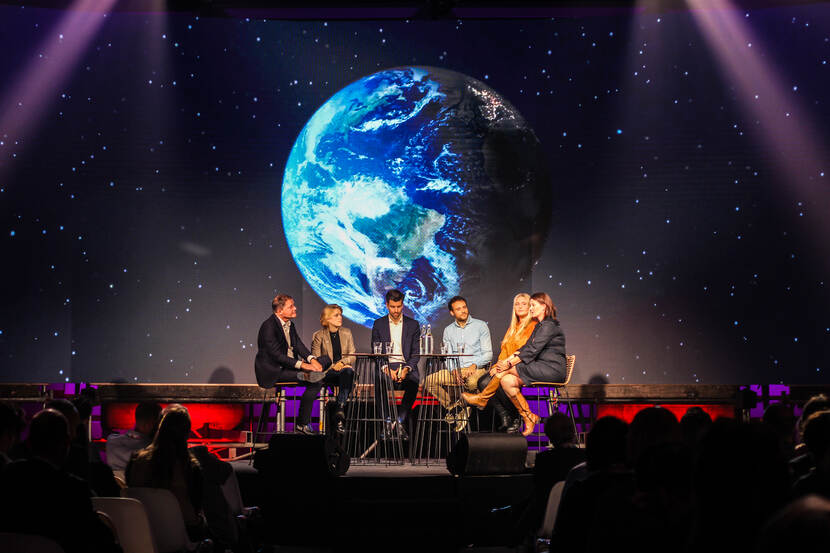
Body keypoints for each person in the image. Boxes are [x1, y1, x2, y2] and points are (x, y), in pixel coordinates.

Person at [0, 409, 120, 553]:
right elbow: (102, 542)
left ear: (29, 443)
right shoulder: (73, 489)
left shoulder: (6, 476)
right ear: (66, 445)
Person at [463, 292, 565, 436]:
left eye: (532, 305)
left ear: (543, 307)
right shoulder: (540, 326)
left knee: (505, 372)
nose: (530, 309)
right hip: (539, 367)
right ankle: (528, 416)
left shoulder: (548, 325)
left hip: (551, 370)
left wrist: (507, 364)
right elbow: (524, 349)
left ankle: (483, 398)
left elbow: (531, 351)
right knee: (506, 380)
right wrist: (505, 364)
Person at [254, 294, 338, 435]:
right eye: (291, 306)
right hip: (276, 371)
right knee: (316, 380)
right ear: (280, 311)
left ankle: (319, 372)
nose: (295, 308)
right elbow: (277, 356)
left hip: (290, 367)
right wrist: (303, 365)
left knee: (325, 360)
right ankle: (302, 423)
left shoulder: (290, 325)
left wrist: (312, 360)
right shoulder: (268, 326)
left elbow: (298, 345)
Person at [126, 404, 208, 541]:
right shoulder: (189, 467)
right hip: (177, 540)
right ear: (187, 433)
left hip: (140, 537)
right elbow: (190, 517)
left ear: (158, 428)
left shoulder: (135, 461)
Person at [423, 296, 492, 431]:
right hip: (456, 369)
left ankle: (461, 407)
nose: (463, 311)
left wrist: (474, 365)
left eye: (464, 307)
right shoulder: (448, 330)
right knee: (429, 381)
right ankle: (454, 408)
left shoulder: (481, 325)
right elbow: (448, 356)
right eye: (458, 309)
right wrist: (454, 370)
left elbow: (488, 354)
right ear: (452, 313)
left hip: (476, 369)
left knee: (472, 382)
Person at [476, 293, 538, 432]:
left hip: (522, 367)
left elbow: (525, 353)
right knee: (482, 382)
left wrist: (503, 367)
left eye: (524, 303)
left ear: (530, 307)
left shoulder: (533, 326)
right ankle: (505, 415)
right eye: (517, 304)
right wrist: (497, 366)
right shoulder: (513, 327)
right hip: (506, 366)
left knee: (497, 381)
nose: (520, 306)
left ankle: (515, 417)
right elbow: (504, 351)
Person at [370, 289, 421, 440]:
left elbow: (416, 353)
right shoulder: (379, 324)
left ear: (402, 305)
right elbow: (375, 350)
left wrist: (405, 369)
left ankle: (399, 421)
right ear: (386, 305)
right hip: (387, 364)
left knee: (414, 381)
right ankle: (387, 422)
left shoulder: (413, 325)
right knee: (380, 379)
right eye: (393, 307)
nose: (396, 310)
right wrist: (386, 369)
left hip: (405, 365)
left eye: (399, 306)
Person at [311, 304, 357, 433]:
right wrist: (334, 366)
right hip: (326, 373)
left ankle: (339, 408)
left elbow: (352, 355)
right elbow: (316, 359)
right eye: (336, 315)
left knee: (348, 372)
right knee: (347, 373)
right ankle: (339, 413)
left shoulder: (347, 333)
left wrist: (342, 363)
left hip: (343, 372)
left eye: (340, 314)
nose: (340, 317)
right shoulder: (319, 335)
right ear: (328, 319)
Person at [106, 401, 162, 473]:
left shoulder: (112, 441)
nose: (159, 428)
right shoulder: (153, 449)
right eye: (158, 423)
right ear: (147, 425)